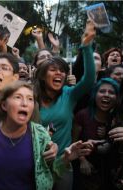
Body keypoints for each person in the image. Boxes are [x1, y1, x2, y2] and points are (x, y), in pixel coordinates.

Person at [0, 81, 93, 190]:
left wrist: (65, 159)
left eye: (30, 99)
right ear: (4, 105)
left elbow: (50, 174)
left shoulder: (40, 135)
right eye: (18, 97)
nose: (25, 103)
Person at [34, 19, 96, 190]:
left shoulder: (69, 95)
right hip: (34, 165)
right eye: (53, 70)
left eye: (62, 70)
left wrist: (86, 46)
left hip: (63, 163)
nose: (59, 73)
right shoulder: (30, 97)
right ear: (42, 76)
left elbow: (89, 79)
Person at [73, 78, 119, 190]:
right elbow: (73, 141)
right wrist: (83, 160)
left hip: (109, 175)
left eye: (111, 92)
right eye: (102, 91)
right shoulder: (82, 115)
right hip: (85, 173)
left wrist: (108, 133)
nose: (106, 95)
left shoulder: (118, 119)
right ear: (95, 94)